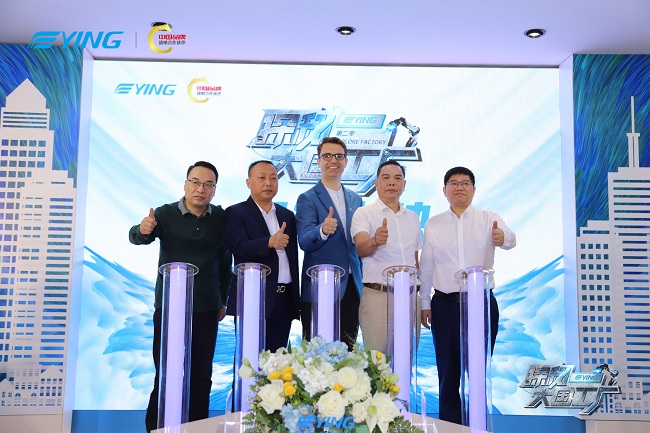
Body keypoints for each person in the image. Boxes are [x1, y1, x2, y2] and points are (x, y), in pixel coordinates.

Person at [128, 161, 232, 433]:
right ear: (185, 184)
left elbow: (225, 262)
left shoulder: (221, 218)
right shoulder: (164, 214)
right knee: (166, 373)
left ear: (214, 190)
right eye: (195, 182)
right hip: (170, 307)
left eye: (208, 185)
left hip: (206, 307)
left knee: (201, 376)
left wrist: (223, 299)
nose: (200, 189)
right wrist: (142, 229)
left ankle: (197, 429)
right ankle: (157, 428)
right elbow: (137, 237)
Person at [419, 166, 516, 425]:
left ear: (474, 189)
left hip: (480, 303)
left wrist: (502, 237)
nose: (459, 187)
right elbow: (426, 267)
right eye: (453, 183)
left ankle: (478, 426)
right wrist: (424, 302)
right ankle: (450, 427)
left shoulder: (489, 218)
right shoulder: (433, 224)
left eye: (465, 183)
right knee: (448, 372)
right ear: (444, 190)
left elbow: (511, 239)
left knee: (478, 371)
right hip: (444, 305)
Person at [224, 160, 300, 352]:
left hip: (284, 299)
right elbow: (238, 247)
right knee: (249, 359)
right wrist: (269, 242)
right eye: (262, 178)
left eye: (273, 178)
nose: (268, 183)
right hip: (253, 298)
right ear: (248, 182)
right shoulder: (236, 212)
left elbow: (292, 258)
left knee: (279, 361)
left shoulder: (287, 215)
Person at [295, 137, 363, 350]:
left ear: (346, 161)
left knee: (348, 355)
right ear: (318, 161)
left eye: (339, 156)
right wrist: (322, 230)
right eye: (327, 156)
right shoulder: (307, 198)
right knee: (316, 356)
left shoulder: (356, 199)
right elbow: (304, 241)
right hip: (320, 287)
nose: (333, 160)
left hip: (351, 287)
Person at [350, 160, 422, 353]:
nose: (392, 182)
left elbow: (415, 260)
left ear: (404, 184)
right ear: (376, 183)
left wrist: (422, 298)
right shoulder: (364, 213)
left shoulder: (413, 218)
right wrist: (375, 241)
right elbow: (361, 249)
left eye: (397, 178)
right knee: (378, 361)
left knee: (406, 359)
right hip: (378, 296)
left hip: (409, 296)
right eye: (386, 178)